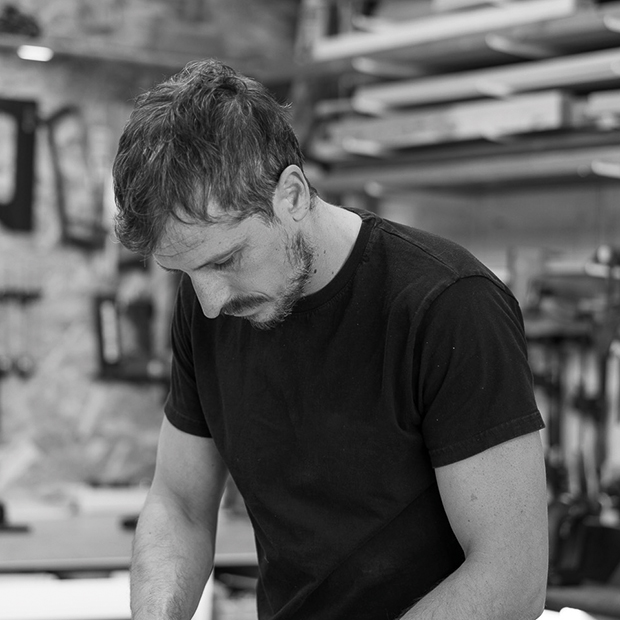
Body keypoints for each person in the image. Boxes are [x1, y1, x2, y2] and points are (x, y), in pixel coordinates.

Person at [112, 59, 549, 620]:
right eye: (185, 273)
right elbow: (180, 505)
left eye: (225, 261)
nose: (212, 302)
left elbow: (512, 578)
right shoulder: (206, 303)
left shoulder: (448, 306)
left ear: (292, 195)